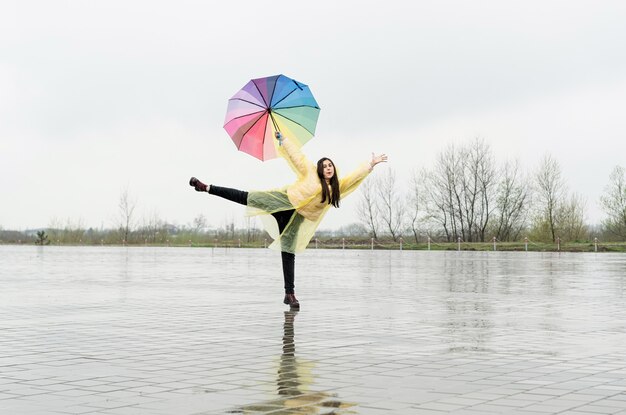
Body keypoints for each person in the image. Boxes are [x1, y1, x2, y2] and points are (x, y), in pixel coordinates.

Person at [189, 132, 387, 309]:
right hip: (282, 202)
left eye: (330, 165)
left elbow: (354, 177)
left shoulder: (337, 187)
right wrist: (284, 140)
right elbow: (297, 157)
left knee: (288, 253)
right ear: (320, 168)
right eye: (324, 165)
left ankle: (289, 294)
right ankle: (207, 187)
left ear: (334, 169)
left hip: (296, 220)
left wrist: (370, 164)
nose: (328, 168)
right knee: (247, 197)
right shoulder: (310, 172)